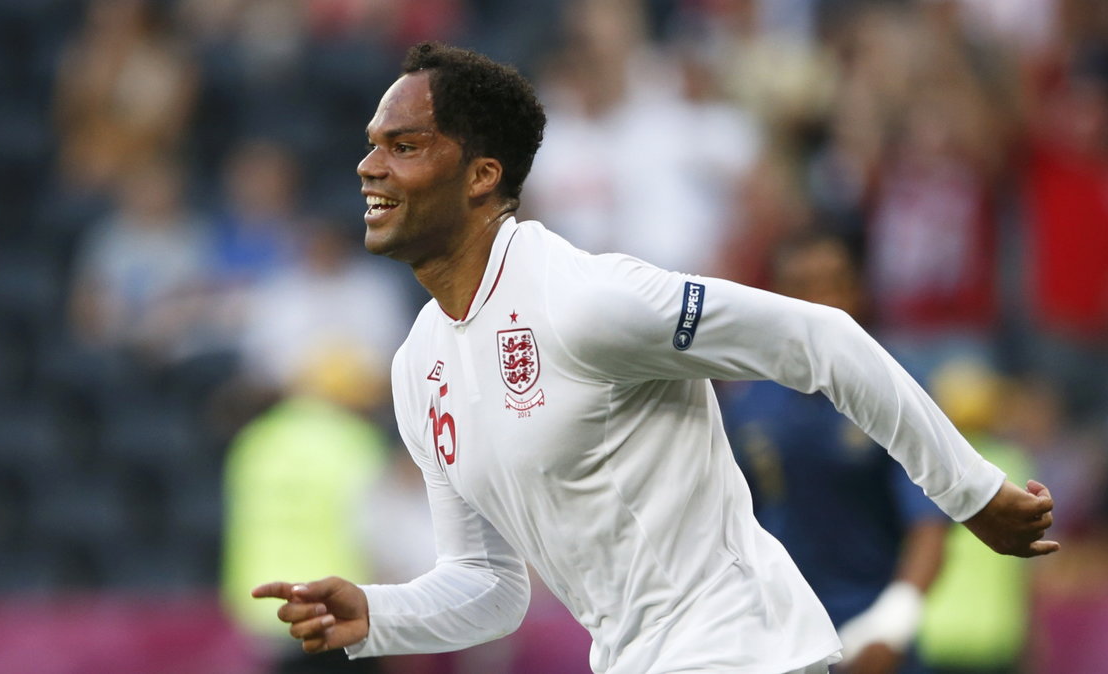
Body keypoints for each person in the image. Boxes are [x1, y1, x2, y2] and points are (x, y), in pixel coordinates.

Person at [253, 42, 1058, 674]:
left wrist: (969, 492)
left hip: (742, 653)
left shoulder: (587, 300)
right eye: (371, 145)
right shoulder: (417, 366)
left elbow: (824, 338)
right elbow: (491, 587)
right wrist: (380, 613)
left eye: (404, 145)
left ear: (481, 176)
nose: (369, 166)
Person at [721, 232, 950, 674]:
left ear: (858, 290)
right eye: (802, 287)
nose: (821, 301)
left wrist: (890, 626)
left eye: (834, 283)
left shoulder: (900, 387)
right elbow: (730, 522)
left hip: (873, 639)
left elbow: (930, 527)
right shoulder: (746, 400)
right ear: (775, 299)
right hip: (781, 640)